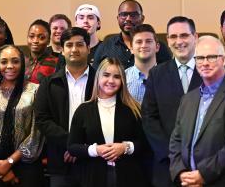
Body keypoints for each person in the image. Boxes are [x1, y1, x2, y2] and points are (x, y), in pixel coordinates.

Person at [169, 36, 225, 186]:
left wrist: (203, 174)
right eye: (200, 58)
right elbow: (176, 141)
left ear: (224, 60)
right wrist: (180, 172)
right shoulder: (188, 99)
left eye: (212, 57)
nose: (205, 63)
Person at [68, 58, 150, 187]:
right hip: (92, 177)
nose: (111, 81)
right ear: (98, 77)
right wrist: (95, 150)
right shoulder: (83, 110)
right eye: (106, 75)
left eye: (116, 77)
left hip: (129, 177)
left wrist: (125, 147)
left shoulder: (133, 109)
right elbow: (72, 147)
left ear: (122, 80)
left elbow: (145, 144)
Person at [142, 16, 202, 187]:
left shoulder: (213, 70)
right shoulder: (157, 74)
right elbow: (149, 117)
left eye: (184, 35)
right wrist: (171, 154)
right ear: (167, 40)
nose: (179, 41)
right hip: (167, 165)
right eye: (173, 37)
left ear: (195, 37)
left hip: (205, 166)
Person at [0, 45, 44, 187]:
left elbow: (36, 134)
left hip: (25, 165)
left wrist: (10, 162)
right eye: (4, 62)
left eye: (15, 61)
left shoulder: (35, 91)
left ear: (22, 63)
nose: (10, 66)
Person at [35, 27, 96, 187]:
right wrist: (72, 145)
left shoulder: (101, 81)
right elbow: (42, 120)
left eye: (80, 45)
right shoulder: (49, 83)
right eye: (69, 45)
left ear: (88, 48)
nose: (74, 49)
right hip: (60, 160)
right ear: (62, 50)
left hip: (95, 159)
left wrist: (83, 148)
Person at [92, 0, 172, 69]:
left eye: (133, 15)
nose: (128, 19)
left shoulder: (157, 46)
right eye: (123, 15)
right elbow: (96, 77)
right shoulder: (105, 46)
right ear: (118, 18)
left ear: (142, 18)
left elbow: (169, 74)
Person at [125, 24, 159, 104]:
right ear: (131, 49)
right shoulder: (123, 78)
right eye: (139, 42)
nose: (144, 45)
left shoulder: (169, 77)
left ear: (157, 47)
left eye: (148, 41)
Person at [25, 19, 59, 84]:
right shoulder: (21, 62)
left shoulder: (57, 63)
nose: (35, 41)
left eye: (41, 37)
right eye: (31, 36)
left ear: (48, 40)